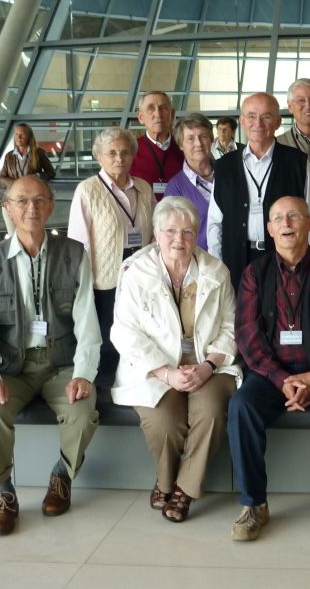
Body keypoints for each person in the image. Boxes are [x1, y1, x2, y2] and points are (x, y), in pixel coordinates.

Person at [0, 175, 101, 536]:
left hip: (62, 364)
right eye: (22, 201)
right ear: (6, 208)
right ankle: (5, 493)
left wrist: (84, 373)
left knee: (83, 411)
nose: (31, 208)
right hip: (12, 367)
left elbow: (88, 322)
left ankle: (61, 474)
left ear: (52, 206)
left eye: (40, 200)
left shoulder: (73, 255)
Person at [228, 196, 310, 543]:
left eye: (294, 217)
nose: (286, 224)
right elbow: (247, 336)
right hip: (271, 375)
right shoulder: (254, 273)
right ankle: (254, 503)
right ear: (269, 229)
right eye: (278, 219)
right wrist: (283, 380)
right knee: (241, 407)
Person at [110, 197, 241, 523]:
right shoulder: (135, 271)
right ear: (156, 233)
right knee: (164, 421)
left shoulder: (216, 271)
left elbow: (231, 326)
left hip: (208, 363)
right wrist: (166, 373)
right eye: (170, 231)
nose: (178, 240)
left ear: (196, 234)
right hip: (154, 366)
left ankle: (182, 489)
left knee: (210, 412)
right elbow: (124, 332)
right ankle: (165, 479)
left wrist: (208, 366)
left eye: (186, 232)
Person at [206, 92, 310, 290]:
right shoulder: (224, 166)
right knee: (242, 319)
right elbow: (215, 223)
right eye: (251, 116)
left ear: (278, 121)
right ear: (241, 121)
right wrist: (217, 268)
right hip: (236, 263)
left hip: (287, 261)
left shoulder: (297, 163)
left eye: (266, 116)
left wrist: (309, 267)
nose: (257, 123)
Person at [68, 128, 155, 380]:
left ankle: (136, 377)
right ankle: (106, 383)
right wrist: (81, 284)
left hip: (140, 275)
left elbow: (152, 230)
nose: (119, 158)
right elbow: (78, 242)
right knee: (108, 336)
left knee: (140, 329)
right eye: (112, 153)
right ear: (99, 157)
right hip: (105, 280)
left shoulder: (144, 188)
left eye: (125, 152)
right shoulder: (87, 190)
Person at [164, 113, 215, 251]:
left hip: (236, 259)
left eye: (203, 136)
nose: (198, 143)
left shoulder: (229, 174)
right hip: (199, 263)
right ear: (181, 145)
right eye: (190, 139)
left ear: (211, 139)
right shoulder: (175, 188)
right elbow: (172, 234)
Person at [0, 123, 56, 235]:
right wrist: (17, 184)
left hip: (30, 203)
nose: (18, 138)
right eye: (16, 135)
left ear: (29, 136)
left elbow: (51, 173)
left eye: (22, 135)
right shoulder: (9, 156)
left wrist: (36, 177)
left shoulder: (38, 153)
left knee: (29, 235)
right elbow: (2, 177)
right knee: (12, 236)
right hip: (11, 201)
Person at [131, 90, 183, 198]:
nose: (158, 114)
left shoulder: (184, 148)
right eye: (151, 109)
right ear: (141, 117)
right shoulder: (131, 150)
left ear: (172, 114)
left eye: (163, 108)